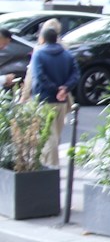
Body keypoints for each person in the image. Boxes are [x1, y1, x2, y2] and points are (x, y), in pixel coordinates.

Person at [24, 20, 79, 168]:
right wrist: (64, 89)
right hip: (61, 100)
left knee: (48, 135)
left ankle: (50, 166)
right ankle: (49, 164)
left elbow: (38, 76)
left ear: (43, 38)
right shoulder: (67, 54)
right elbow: (75, 74)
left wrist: (55, 89)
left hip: (43, 98)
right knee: (56, 134)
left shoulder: (38, 53)